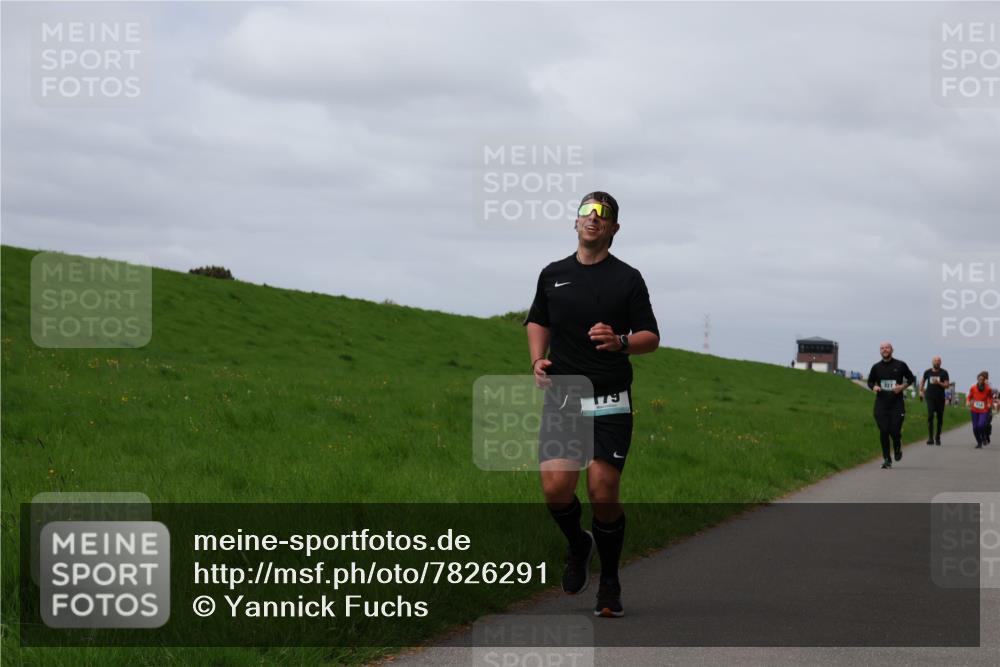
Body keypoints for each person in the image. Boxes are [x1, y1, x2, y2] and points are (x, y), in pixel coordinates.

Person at [524, 191, 660, 618]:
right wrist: (537, 359)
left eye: (603, 214)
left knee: (602, 491)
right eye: (586, 211)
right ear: (576, 221)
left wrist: (620, 342)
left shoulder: (628, 279)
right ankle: (578, 544)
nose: (593, 218)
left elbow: (650, 337)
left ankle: (610, 581)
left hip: (610, 401)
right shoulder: (553, 274)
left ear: (614, 228)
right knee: (555, 489)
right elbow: (537, 320)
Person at [866, 342, 916, 468]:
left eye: (887, 348)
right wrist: (874, 387)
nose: (885, 350)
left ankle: (898, 446)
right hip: (881, 405)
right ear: (880, 351)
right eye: (882, 348)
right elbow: (870, 381)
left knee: (894, 431)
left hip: (897, 404)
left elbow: (911, 378)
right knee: (884, 431)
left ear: (892, 350)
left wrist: (902, 387)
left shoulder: (900, 365)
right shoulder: (876, 367)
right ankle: (887, 459)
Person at [919, 356, 951, 445]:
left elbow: (947, 385)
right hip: (930, 397)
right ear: (932, 362)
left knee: (940, 418)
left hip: (940, 398)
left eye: (938, 361)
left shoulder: (944, 372)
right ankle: (930, 438)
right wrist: (921, 391)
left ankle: (938, 437)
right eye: (935, 361)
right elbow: (922, 381)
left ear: (940, 363)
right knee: (930, 416)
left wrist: (939, 383)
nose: (936, 362)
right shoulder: (927, 372)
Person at [966, 372, 993, 448]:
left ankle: (984, 436)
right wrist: (968, 401)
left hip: (984, 410)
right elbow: (969, 396)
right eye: (979, 379)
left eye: (982, 379)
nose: (981, 380)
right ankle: (979, 442)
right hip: (974, 410)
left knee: (981, 425)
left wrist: (989, 404)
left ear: (984, 380)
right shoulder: (973, 388)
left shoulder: (988, 389)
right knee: (975, 427)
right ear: (977, 379)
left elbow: (990, 398)